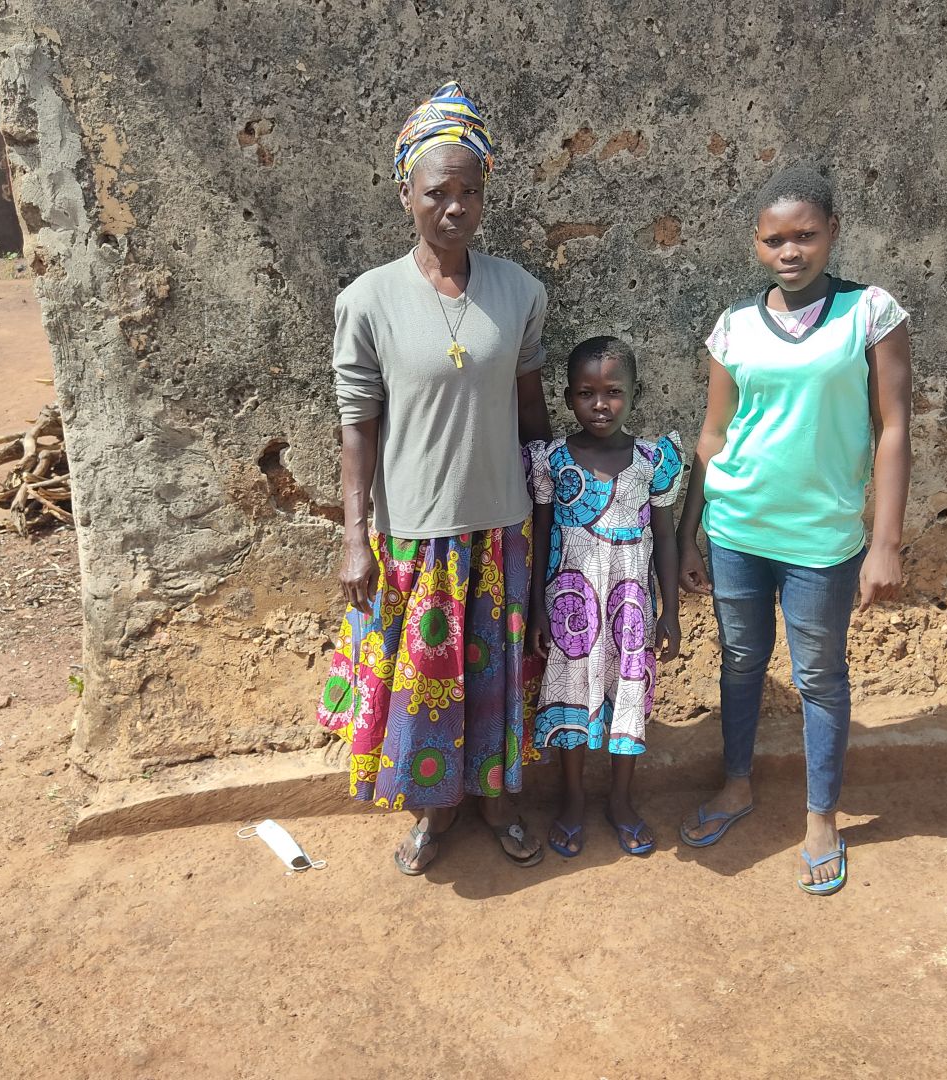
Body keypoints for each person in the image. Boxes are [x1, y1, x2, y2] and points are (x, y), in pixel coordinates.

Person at [315, 82, 552, 876]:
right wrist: (356, 537)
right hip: (414, 534)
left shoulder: (519, 292)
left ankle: (499, 802)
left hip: (501, 527)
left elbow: (532, 409)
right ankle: (432, 811)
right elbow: (357, 426)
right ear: (404, 194)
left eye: (470, 191)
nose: (455, 207)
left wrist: (551, 510)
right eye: (437, 192)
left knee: (495, 680)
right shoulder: (368, 300)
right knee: (425, 688)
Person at [676, 165, 912, 895]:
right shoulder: (734, 328)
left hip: (822, 541)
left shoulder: (871, 313)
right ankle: (737, 784)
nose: (790, 251)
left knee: (819, 676)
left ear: (832, 233)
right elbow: (713, 436)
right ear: (756, 243)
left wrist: (885, 542)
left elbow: (894, 427)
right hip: (737, 530)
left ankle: (820, 819)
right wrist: (689, 535)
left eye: (805, 236)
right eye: (774, 239)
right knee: (741, 661)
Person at [528, 337, 683, 857]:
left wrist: (670, 612)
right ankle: (572, 797)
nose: (600, 404)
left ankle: (620, 799)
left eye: (614, 392)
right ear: (568, 397)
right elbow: (542, 535)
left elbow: (664, 537)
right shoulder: (551, 460)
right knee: (572, 694)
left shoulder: (652, 460)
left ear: (635, 394)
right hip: (570, 607)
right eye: (585, 393)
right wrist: (537, 609)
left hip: (631, 611)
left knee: (628, 694)